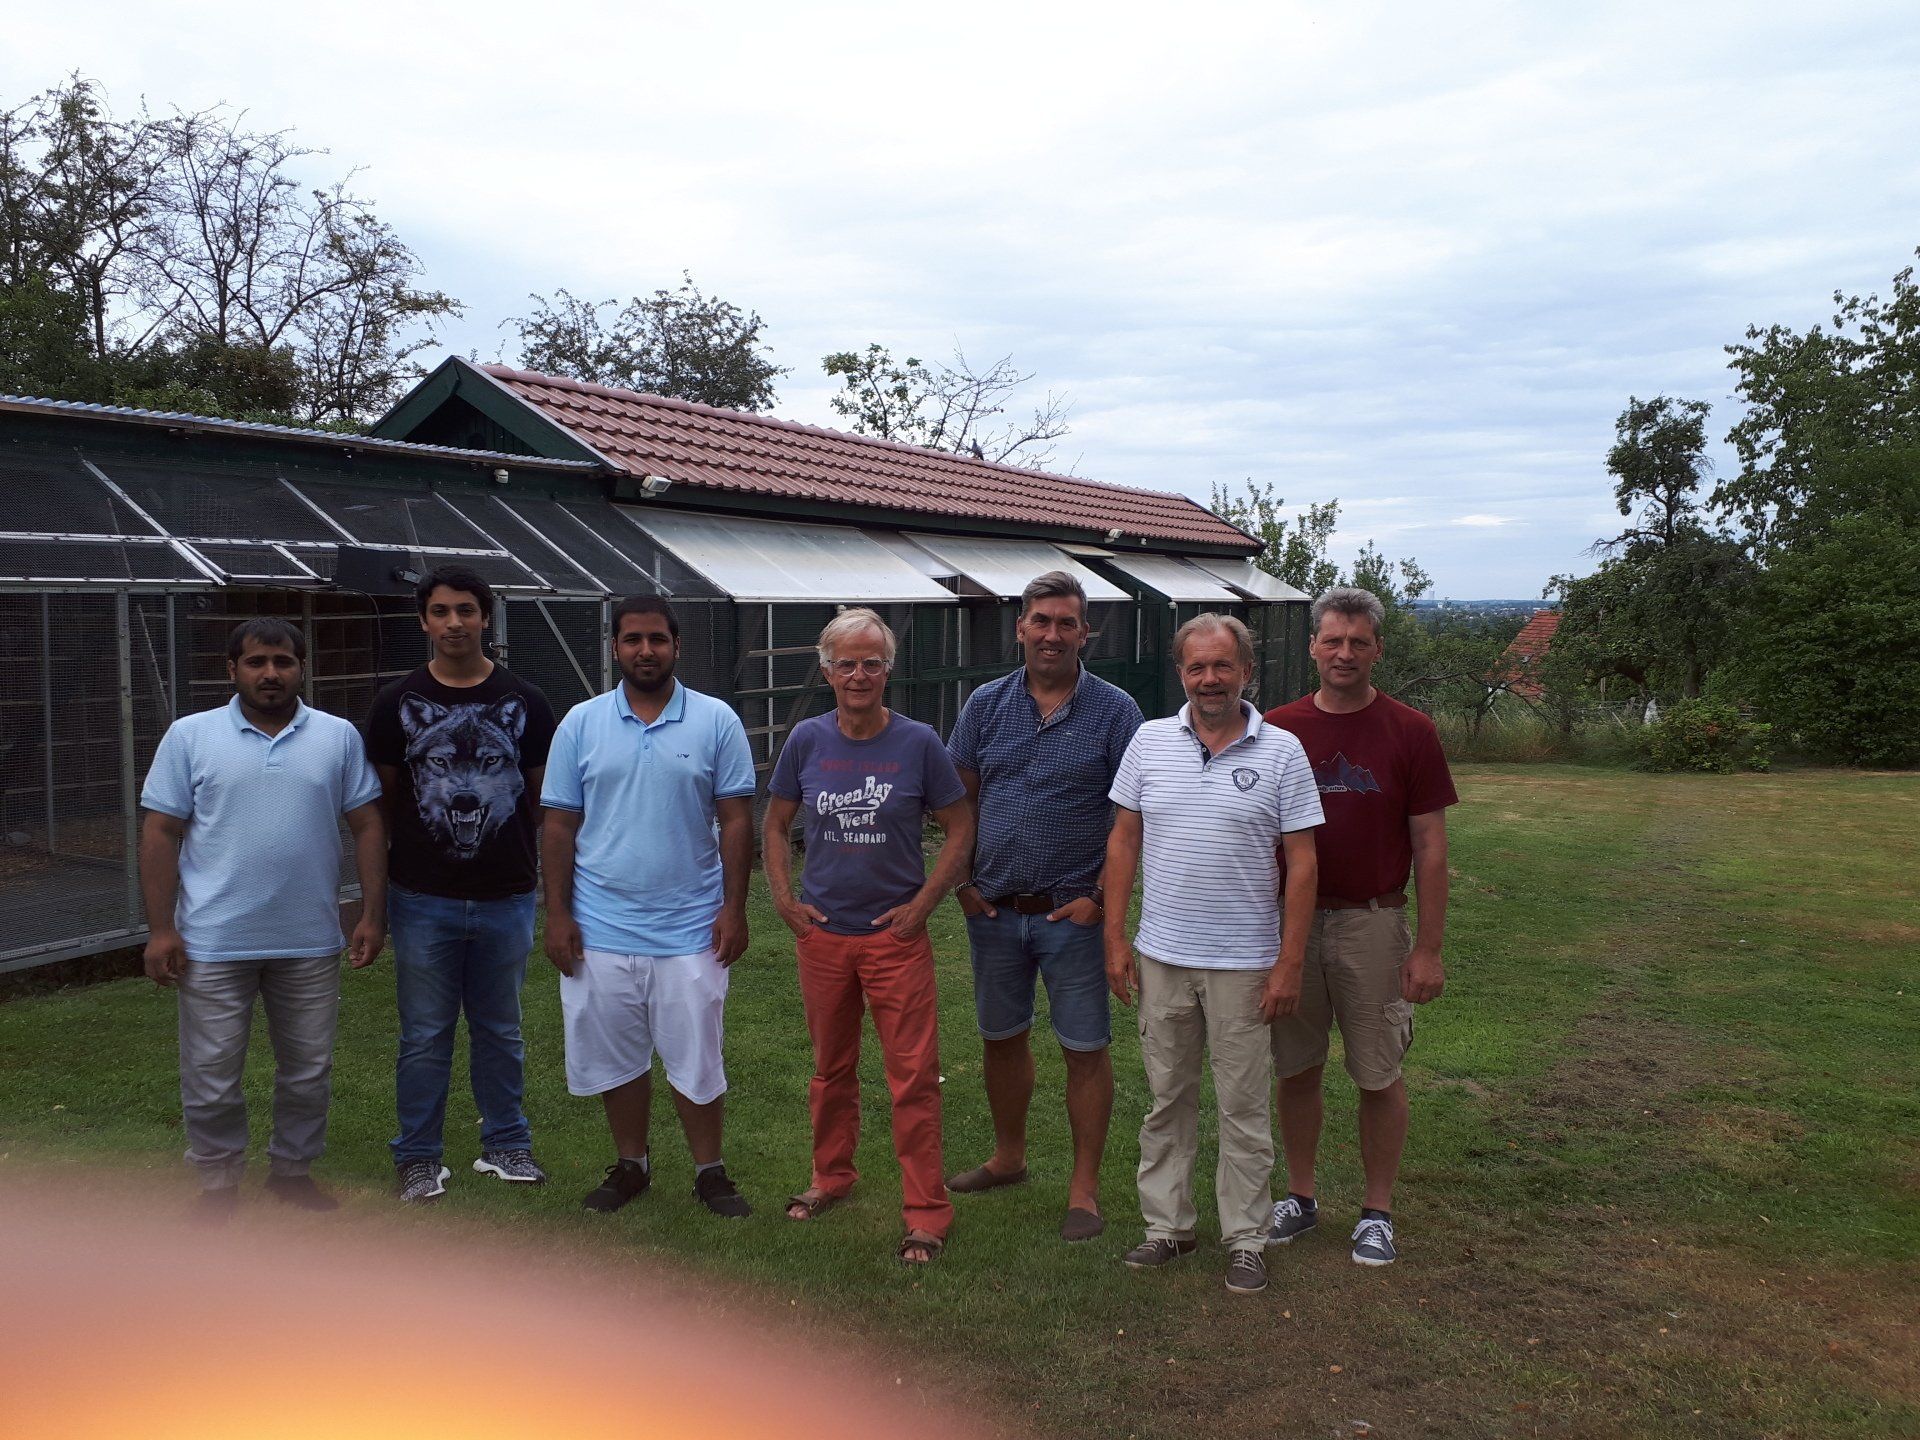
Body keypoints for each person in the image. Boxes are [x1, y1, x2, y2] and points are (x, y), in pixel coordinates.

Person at [1103, 613, 1322, 1296]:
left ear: (1246, 672)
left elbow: (1303, 863)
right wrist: (1115, 937)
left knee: (1243, 1107)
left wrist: (1289, 963)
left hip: (1245, 963)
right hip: (1163, 955)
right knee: (1167, 1098)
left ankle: (1247, 1239)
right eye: (1196, 667)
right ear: (1181, 673)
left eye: (1222, 665)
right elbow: (1123, 842)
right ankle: (1168, 1227)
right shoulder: (1148, 742)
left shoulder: (1282, 751)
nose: (1209, 679)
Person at [139, 618, 385, 1222]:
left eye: (283, 661)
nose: (270, 673)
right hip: (212, 940)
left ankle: (292, 1172)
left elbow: (367, 825)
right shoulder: (190, 736)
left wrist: (372, 914)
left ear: (302, 668)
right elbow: (160, 831)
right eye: (256, 662)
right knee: (211, 1072)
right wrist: (162, 929)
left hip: (309, 940)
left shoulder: (337, 737)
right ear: (232, 670)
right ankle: (217, 1180)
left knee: (308, 1071)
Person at [762, 608, 974, 1264]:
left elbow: (961, 827)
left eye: (872, 663)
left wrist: (923, 905)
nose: (859, 675)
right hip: (824, 937)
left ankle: (927, 1212)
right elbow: (775, 823)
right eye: (846, 663)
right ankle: (831, 1176)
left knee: (913, 1077)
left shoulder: (918, 743)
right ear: (827, 670)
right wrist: (784, 899)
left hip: (894, 941)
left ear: (889, 670)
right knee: (831, 1070)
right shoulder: (806, 740)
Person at [540, 595, 756, 1218]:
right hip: (600, 926)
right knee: (617, 1058)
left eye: (657, 639)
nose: (645, 650)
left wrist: (734, 908)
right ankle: (631, 1165)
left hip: (691, 927)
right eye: (632, 639)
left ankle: (710, 1172)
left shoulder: (716, 720)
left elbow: (736, 819)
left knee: (697, 1057)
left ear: (676, 646)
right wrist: (558, 914)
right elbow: (558, 825)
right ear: (615, 648)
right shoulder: (580, 723)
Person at [1262, 586, 1458, 1267]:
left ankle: (1377, 1212)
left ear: (1377, 650)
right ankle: (1300, 1196)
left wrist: (1428, 948)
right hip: (1291, 926)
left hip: (1373, 923)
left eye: (1358, 642)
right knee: (1296, 1067)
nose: (1344, 653)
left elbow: (1431, 846)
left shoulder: (1410, 731)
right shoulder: (1278, 730)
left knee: (1377, 1073)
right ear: (1312, 647)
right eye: (1333, 640)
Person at [944, 571, 1142, 1242]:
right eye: (1041, 621)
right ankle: (1009, 1158)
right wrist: (964, 886)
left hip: (1073, 917)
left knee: (1084, 1048)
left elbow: (1130, 820)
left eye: (1066, 623)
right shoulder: (985, 706)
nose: (1052, 634)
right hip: (995, 912)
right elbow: (958, 801)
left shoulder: (1115, 712)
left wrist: (1098, 900)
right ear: (1020, 628)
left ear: (1085, 633)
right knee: (1001, 1039)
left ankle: (1083, 1190)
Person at [363, 566, 558, 1204]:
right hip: (422, 897)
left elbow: (542, 800)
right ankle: (418, 1157)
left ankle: (506, 1144)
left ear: (485, 617)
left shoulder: (526, 702)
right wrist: (378, 902)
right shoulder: (397, 703)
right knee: (424, 1034)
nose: (454, 623)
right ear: (424, 621)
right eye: (442, 611)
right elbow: (383, 804)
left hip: (507, 894)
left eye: (466, 610)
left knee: (501, 1029)